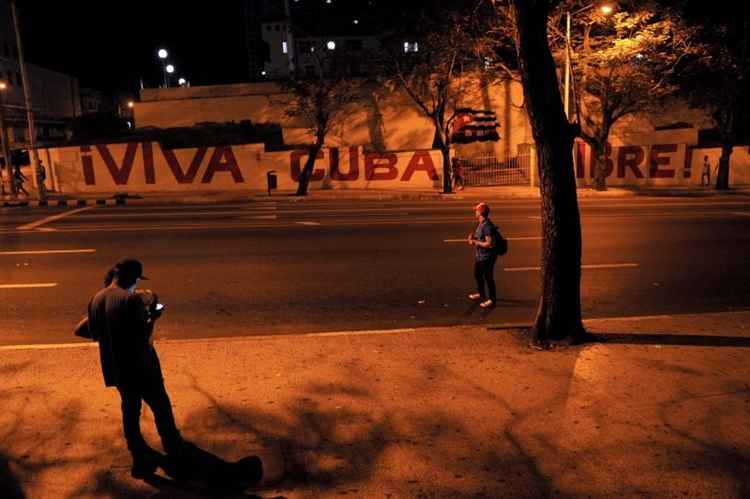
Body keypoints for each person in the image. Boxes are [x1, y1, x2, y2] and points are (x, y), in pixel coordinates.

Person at [88, 258, 192, 479]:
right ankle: (174, 448)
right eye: (136, 279)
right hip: (141, 365)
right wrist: (153, 317)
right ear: (129, 276)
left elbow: (90, 332)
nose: (136, 283)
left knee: (130, 407)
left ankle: (137, 453)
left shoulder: (96, 299)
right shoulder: (130, 300)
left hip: (115, 367)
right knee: (161, 406)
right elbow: (142, 336)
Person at [468, 202, 500, 308]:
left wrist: (475, 242)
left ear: (480, 213)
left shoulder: (487, 226)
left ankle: (492, 299)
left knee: (488, 278)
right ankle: (481, 293)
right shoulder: (481, 223)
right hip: (480, 256)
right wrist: (474, 238)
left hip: (487, 257)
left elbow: (489, 243)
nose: (475, 212)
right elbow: (481, 238)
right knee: (477, 274)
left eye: (476, 210)